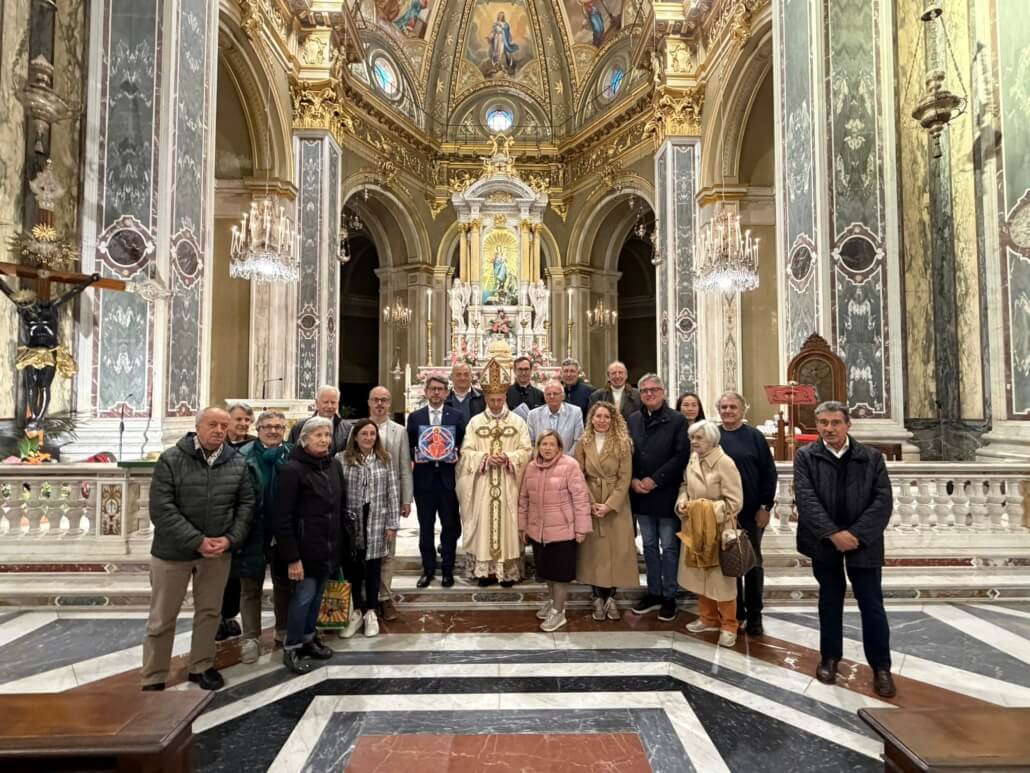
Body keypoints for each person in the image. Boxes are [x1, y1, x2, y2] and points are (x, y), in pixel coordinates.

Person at [142, 407, 255, 691]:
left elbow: (246, 505)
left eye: (224, 426)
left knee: (210, 612)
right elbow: (162, 508)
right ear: (198, 427)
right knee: (162, 616)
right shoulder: (171, 459)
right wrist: (197, 541)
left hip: (217, 552)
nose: (219, 430)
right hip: (173, 553)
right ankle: (154, 674)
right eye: (213, 424)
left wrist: (230, 539)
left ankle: (201, 666)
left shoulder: (237, 462)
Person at [794, 401, 896, 698]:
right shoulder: (806, 456)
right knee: (829, 599)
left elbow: (882, 501)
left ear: (848, 425)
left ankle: (881, 667)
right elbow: (806, 499)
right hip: (823, 540)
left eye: (835, 422)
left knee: (872, 604)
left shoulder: (871, 457)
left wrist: (855, 534)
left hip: (863, 541)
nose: (829, 428)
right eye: (823, 422)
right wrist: (833, 533)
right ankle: (829, 657)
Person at [273, 418, 344, 674]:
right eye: (318, 435)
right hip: (304, 550)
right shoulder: (292, 469)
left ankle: (308, 638)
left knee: (317, 597)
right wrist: (293, 557)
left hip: (328, 546)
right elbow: (282, 518)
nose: (325, 440)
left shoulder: (334, 465)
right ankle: (292, 646)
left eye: (327, 435)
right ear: (304, 440)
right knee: (303, 598)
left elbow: (339, 508)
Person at [456, 357, 532, 586]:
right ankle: (485, 572)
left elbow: (527, 450)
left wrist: (509, 457)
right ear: (486, 399)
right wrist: (485, 458)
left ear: (505, 397)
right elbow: (466, 452)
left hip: (509, 483)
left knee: (508, 525)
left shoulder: (518, 422)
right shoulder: (475, 423)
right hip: (483, 483)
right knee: (483, 526)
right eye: (492, 400)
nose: (496, 404)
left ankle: (507, 571)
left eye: (500, 399)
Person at [627, 373, 690, 622]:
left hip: (665, 492)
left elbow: (681, 455)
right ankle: (654, 592)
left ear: (663, 392)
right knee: (649, 545)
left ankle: (669, 595)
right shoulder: (633, 419)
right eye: (644, 391)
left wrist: (655, 479)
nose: (649, 394)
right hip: (641, 493)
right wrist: (633, 479)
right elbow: (628, 453)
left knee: (669, 546)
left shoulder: (677, 420)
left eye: (654, 389)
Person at [677, 420, 744, 648]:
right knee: (701, 576)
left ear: (712, 440)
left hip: (719, 530)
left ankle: (729, 625)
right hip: (696, 528)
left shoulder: (725, 463)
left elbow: (735, 502)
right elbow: (685, 486)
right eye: (692, 438)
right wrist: (683, 502)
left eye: (699, 438)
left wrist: (704, 508)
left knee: (722, 582)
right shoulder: (694, 458)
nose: (694, 442)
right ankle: (708, 618)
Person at [716, 391, 777, 636]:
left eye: (733, 407)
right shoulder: (713, 436)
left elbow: (769, 473)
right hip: (722, 512)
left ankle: (754, 615)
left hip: (751, 511)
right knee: (728, 563)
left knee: (752, 563)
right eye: (724, 407)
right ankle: (735, 612)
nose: (728, 411)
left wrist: (765, 507)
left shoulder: (754, 437)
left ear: (743, 410)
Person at [519, 431, 592, 632]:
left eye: (552, 444)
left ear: (559, 447)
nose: (547, 448)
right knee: (547, 573)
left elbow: (580, 498)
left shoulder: (570, 465)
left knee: (559, 575)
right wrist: (523, 526)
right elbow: (524, 499)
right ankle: (553, 603)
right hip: (538, 531)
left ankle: (559, 612)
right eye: (544, 444)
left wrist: (581, 528)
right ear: (538, 447)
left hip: (563, 531)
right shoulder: (531, 467)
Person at [234, 411, 293, 663]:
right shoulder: (242, 456)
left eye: (278, 427)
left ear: (284, 430)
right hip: (252, 531)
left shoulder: (292, 454)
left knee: (284, 585)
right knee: (250, 587)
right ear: (257, 430)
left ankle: (283, 630)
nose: (273, 431)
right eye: (267, 426)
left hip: (282, 532)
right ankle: (251, 637)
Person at [574, 401, 638, 621]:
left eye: (606, 417)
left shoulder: (622, 442)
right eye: (598, 416)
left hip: (616, 503)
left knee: (616, 551)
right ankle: (597, 598)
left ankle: (611, 597)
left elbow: (625, 477)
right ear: (591, 419)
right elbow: (579, 474)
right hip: (591, 499)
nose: (602, 420)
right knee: (594, 553)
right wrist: (591, 502)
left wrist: (610, 505)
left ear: (613, 420)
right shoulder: (583, 442)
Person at [337, 419, 401, 639]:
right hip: (351, 521)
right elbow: (337, 492)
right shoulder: (341, 459)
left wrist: (392, 523)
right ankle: (355, 612)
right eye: (364, 434)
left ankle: (371, 612)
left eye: (372, 434)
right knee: (353, 566)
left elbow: (393, 492)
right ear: (355, 437)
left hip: (376, 519)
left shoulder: (385, 458)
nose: (368, 438)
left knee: (374, 566)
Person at [407, 375, 466, 588]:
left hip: (448, 480)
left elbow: (462, 445)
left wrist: (455, 453)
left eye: (440, 389)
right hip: (424, 481)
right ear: (426, 392)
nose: (436, 392)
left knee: (450, 526)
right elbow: (411, 446)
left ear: (446, 393)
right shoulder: (415, 417)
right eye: (432, 389)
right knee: (426, 526)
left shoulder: (457, 416)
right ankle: (428, 569)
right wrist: (417, 454)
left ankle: (448, 570)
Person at [366, 386, 413, 621]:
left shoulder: (399, 431)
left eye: (384, 400)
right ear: (369, 402)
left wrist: (406, 499)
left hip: (389, 498)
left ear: (389, 403)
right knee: (363, 551)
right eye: (375, 400)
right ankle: (365, 598)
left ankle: (385, 597)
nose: (380, 404)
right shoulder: (359, 428)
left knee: (387, 551)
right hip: (363, 499)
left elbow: (405, 466)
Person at [217, 400, 258, 642]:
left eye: (247, 420)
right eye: (238, 419)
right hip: (220, 519)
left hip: (244, 520)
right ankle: (216, 618)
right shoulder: (216, 444)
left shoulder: (254, 444)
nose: (243, 423)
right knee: (218, 574)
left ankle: (230, 615)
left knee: (237, 574)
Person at [288, 385, 352, 454]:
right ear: (317, 403)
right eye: (326, 402)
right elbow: (290, 451)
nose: (329, 406)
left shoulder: (347, 428)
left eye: (333, 402)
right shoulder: (300, 426)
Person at [526, 379, 584, 455]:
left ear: (563, 396)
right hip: (541, 460)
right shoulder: (533, 415)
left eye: (555, 393)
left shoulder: (575, 412)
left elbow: (578, 441)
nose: (552, 396)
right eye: (548, 394)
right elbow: (530, 442)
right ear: (544, 397)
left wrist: (565, 459)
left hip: (568, 459)